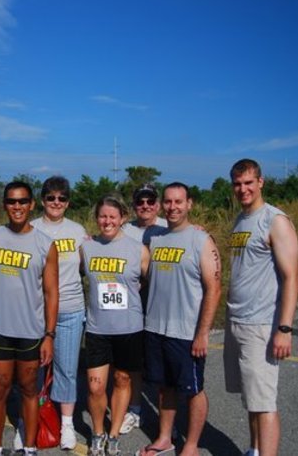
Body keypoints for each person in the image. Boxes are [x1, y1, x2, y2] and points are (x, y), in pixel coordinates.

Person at [139, 183, 222, 456]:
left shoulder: (200, 240)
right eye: (168, 202)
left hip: (186, 332)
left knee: (193, 390)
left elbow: (214, 288)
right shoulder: (157, 239)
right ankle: (164, 438)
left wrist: (203, 332)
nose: (173, 207)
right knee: (165, 387)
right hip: (155, 328)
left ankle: (191, 444)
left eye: (179, 202)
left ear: (189, 204)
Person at [224, 159, 298, 456]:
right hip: (237, 319)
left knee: (265, 402)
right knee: (251, 398)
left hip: (262, 324)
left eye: (248, 183)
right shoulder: (240, 220)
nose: (243, 189)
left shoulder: (275, 220)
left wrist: (284, 328)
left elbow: (291, 276)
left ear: (261, 182)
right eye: (238, 184)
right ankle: (254, 449)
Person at [0, 181, 60, 456]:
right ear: (5, 204)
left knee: (29, 389)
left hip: (31, 331)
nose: (17, 207)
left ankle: (29, 447)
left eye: (22, 201)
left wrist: (49, 336)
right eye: (11, 201)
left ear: (31, 204)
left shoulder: (45, 244)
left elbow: (52, 293)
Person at [81, 196, 150, 456]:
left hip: (129, 328)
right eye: (102, 216)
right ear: (97, 218)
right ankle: (98, 433)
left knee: (122, 380)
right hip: (98, 329)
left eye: (112, 216)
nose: (107, 221)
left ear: (122, 218)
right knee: (96, 386)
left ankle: (114, 435)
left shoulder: (138, 249)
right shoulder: (86, 248)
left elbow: (154, 282)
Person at [30, 176, 88, 450]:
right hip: (35, 312)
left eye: (61, 198)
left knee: (66, 369)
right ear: (42, 200)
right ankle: (29, 422)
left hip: (70, 309)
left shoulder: (78, 231)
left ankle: (66, 424)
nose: (56, 203)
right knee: (33, 371)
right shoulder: (30, 229)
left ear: (68, 202)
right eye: (51, 197)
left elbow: (91, 265)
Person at [120, 183, 168, 434]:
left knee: (161, 364)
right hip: (133, 304)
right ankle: (135, 409)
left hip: (162, 304)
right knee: (134, 363)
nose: (146, 206)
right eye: (141, 202)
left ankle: (167, 418)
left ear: (157, 204)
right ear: (134, 205)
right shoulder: (125, 229)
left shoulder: (167, 227)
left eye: (150, 201)